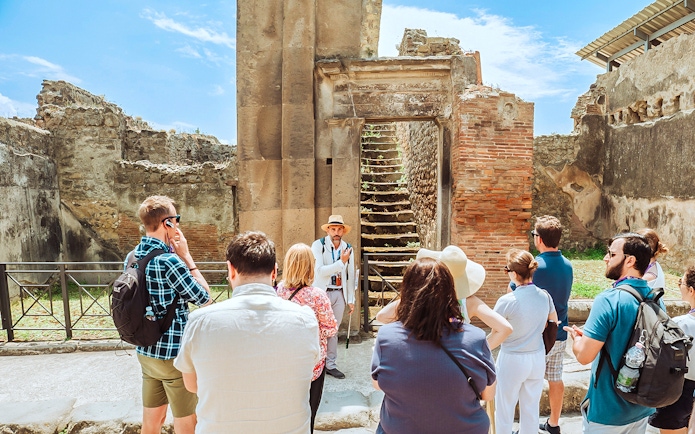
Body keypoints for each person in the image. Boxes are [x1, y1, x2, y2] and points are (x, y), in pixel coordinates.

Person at [174, 231, 320, 433]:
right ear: (274, 272)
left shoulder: (200, 321)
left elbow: (192, 384)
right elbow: (306, 372)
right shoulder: (305, 320)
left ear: (230, 270)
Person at [371, 258, 497, 434]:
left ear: (406, 293)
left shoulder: (387, 337)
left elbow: (378, 385)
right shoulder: (475, 338)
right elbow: (488, 395)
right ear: (451, 292)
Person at [130, 195, 212, 434]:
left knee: (151, 422)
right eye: (176, 219)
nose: (178, 224)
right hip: (173, 356)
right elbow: (205, 298)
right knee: (186, 423)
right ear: (167, 223)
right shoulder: (169, 262)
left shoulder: (132, 257)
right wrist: (187, 257)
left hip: (145, 351)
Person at [565, 232, 655, 432]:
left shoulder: (609, 300)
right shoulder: (656, 298)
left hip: (608, 411)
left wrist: (577, 340)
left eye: (612, 254)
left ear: (630, 260)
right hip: (641, 407)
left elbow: (584, 356)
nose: (605, 258)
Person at [375, 245, 513, 350]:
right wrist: (477, 351)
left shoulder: (421, 300)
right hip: (455, 360)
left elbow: (382, 316)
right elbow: (505, 328)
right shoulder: (470, 302)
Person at [494, 249, 558, 434]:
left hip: (512, 358)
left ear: (513, 273)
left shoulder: (506, 301)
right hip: (537, 357)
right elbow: (553, 320)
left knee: (504, 410)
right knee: (531, 410)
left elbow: (496, 331)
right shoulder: (544, 296)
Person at [276, 243, 338, 432]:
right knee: (309, 414)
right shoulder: (318, 296)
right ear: (310, 267)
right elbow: (330, 329)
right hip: (312, 365)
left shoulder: (278, 292)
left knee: (287, 413)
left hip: (285, 362)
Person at [531, 216, 574, 434]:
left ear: (539, 239)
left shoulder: (536, 266)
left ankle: (529, 425)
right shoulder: (568, 265)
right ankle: (554, 423)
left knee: (532, 380)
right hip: (559, 332)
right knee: (555, 378)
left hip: (538, 335)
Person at [648, 266, 695, 434]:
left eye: (680, 282)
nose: (678, 286)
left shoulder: (680, 324)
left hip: (679, 390)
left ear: (691, 290)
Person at [311, 214, 355, 379]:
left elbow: (350, 275)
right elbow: (320, 271)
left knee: (333, 331)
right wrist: (341, 263)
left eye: (339, 229)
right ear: (328, 230)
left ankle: (331, 365)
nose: (336, 232)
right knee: (317, 329)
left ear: (343, 231)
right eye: (333, 229)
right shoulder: (318, 245)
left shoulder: (348, 247)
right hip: (321, 292)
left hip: (338, 293)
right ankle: (316, 364)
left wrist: (351, 300)